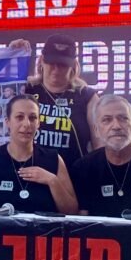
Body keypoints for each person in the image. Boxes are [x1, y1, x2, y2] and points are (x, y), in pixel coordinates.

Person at [0, 95, 77, 214]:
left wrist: (52, 181)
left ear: (38, 123)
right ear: (7, 122)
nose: (27, 124)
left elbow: (72, 212)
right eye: (19, 117)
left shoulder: (53, 159)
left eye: (32, 118)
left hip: (43, 227)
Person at [10, 34, 101, 169]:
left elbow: (100, 145)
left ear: (73, 65)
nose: (56, 69)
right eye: (51, 63)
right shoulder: (26, 89)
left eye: (62, 64)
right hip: (27, 174)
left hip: (72, 175)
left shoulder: (87, 97)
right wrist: (10, 57)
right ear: (41, 60)